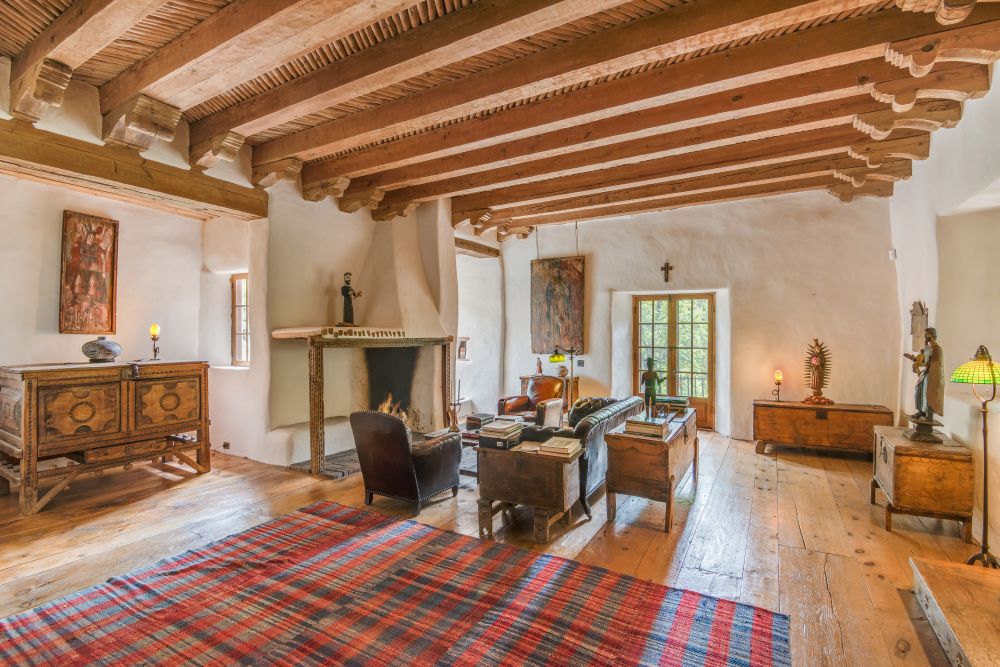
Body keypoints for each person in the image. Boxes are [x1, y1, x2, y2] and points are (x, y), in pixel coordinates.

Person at [904, 327, 944, 420]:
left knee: (928, 393)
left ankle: (929, 414)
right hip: (926, 372)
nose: (925, 337)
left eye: (926, 335)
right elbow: (925, 361)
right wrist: (916, 360)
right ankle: (921, 411)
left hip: (933, 374)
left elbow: (936, 363)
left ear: (932, 336)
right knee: (918, 390)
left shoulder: (937, 349)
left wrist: (924, 363)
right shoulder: (927, 348)